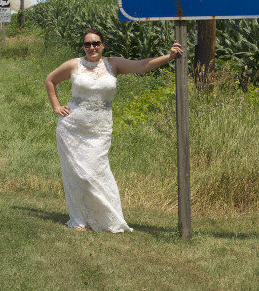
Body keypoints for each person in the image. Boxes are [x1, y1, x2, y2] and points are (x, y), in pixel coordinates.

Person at [45, 28, 183, 232]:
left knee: (97, 172)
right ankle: (81, 219)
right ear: (83, 46)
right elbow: (50, 80)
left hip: (100, 130)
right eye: (87, 44)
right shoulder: (75, 64)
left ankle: (109, 219)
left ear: (103, 45)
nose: (92, 47)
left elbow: (142, 66)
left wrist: (168, 56)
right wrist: (56, 106)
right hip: (72, 128)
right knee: (78, 175)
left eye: (96, 43)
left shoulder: (113, 64)